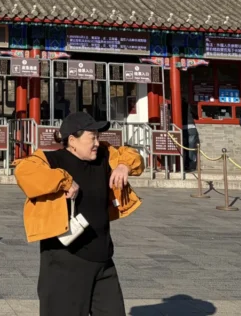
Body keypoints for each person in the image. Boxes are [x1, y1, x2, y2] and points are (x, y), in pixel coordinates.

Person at [15, 112, 144, 316]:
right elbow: (23, 172)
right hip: (66, 260)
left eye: (97, 137)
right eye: (92, 137)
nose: (97, 142)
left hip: (103, 259)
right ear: (72, 140)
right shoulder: (52, 160)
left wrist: (123, 165)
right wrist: (64, 181)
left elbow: (134, 157)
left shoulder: (104, 156)